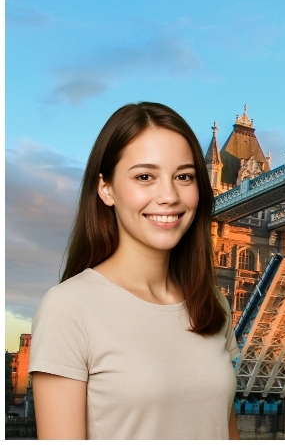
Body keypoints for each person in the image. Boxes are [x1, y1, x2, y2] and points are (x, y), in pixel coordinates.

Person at [29, 103, 238, 439]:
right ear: (106, 188)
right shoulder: (68, 307)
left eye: (184, 177)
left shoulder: (212, 303)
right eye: (145, 177)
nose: (169, 195)